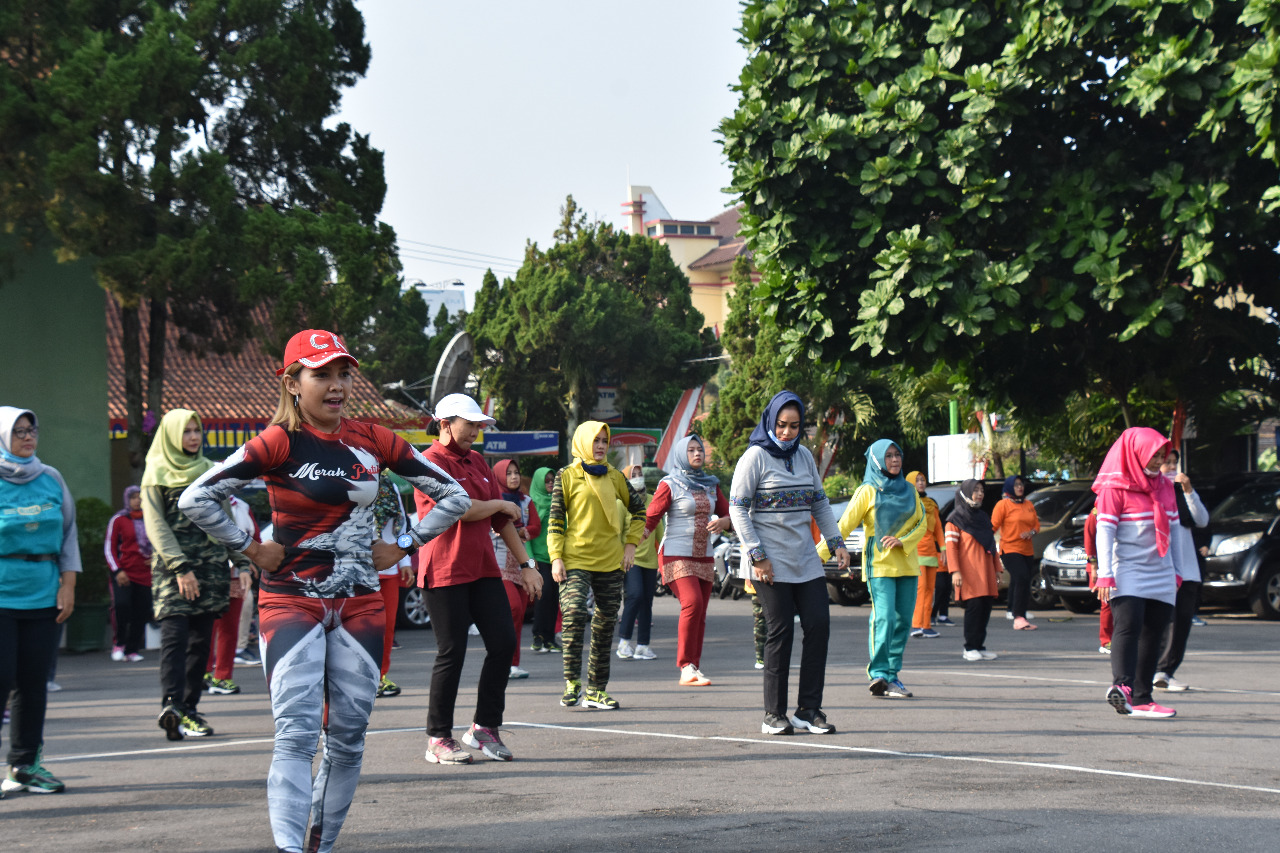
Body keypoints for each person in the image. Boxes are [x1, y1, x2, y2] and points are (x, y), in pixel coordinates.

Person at [180, 330, 469, 853]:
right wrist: (250, 546)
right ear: (292, 382)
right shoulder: (276, 442)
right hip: (291, 600)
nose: (336, 386)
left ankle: (318, 845)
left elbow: (452, 493)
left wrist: (404, 543)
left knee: (349, 740)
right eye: (321, 375)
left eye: (343, 374)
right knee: (295, 734)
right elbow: (196, 497)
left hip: (361, 604)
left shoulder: (375, 439)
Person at [413, 395, 542, 764]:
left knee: (503, 644)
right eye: (468, 423)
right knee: (451, 652)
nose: (475, 430)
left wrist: (528, 564)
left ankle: (484, 727)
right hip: (444, 569)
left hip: (485, 568)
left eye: (478, 424)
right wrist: (501, 504)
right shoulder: (428, 463)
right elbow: (461, 510)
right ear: (445, 423)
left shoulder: (478, 462)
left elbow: (502, 521)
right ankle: (438, 738)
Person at [730, 391, 848, 736]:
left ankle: (808, 710)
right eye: (781, 425)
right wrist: (757, 555)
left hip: (806, 559)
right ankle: (774, 715)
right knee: (779, 633)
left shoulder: (806, 457)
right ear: (771, 422)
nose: (786, 433)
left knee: (818, 627)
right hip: (770, 562)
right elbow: (738, 509)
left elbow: (820, 504)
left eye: (794, 426)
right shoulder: (754, 458)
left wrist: (836, 543)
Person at [143, 408, 241, 741]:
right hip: (174, 571)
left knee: (201, 644)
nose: (194, 437)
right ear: (171, 435)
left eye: (197, 430)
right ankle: (171, 705)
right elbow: (156, 526)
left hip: (211, 568)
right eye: (186, 431)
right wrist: (181, 568)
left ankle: (190, 710)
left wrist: (241, 562)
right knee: (175, 639)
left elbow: (225, 521)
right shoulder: (155, 472)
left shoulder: (209, 472)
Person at [0, 407, 79, 795]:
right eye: (18, 432)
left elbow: (68, 535)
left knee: (33, 683)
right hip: (2, 594)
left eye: (32, 430)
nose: (27, 437)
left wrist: (68, 586)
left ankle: (24, 765)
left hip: (43, 594)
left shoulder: (51, 478)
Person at [549, 421, 646, 711]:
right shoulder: (566, 475)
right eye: (596, 440)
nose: (601, 446)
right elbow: (555, 520)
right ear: (582, 442)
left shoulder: (615, 476)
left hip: (610, 561)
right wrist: (556, 557)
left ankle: (595, 690)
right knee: (575, 612)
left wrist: (630, 545)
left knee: (605, 626)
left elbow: (639, 510)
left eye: (605, 440)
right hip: (574, 559)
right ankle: (571, 683)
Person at [821, 440, 925, 698]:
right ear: (877, 461)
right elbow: (843, 526)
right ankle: (879, 673)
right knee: (885, 617)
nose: (894, 460)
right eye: (888, 456)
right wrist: (815, 556)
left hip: (908, 565)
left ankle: (892, 676)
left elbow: (922, 523)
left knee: (903, 622)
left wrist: (904, 541)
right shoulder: (867, 490)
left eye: (897, 455)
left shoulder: (910, 490)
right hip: (879, 565)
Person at [1092, 426, 1179, 719]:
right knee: (1128, 626)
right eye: (1153, 455)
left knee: (1154, 633)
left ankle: (1143, 698)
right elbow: (1104, 530)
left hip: (1162, 569)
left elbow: (1175, 529)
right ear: (1136, 453)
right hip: (1127, 568)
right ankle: (1122, 688)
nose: (1159, 461)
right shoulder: (1115, 487)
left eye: (1161, 455)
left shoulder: (1165, 486)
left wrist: (1177, 570)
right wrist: (1105, 573)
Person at [642, 435, 730, 686]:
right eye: (691, 450)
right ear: (682, 454)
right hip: (675, 552)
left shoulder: (711, 485)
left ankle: (693, 667)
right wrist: (629, 546)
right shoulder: (670, 484)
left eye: (700, 449)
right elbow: (651, 518)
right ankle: (684, 666)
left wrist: (724, 522)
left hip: (704, 556)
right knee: (691, 603)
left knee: (701, 610)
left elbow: (727, 514)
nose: (697, 454)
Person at [1153, 449, 1208, 692]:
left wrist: (1189, 491)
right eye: (1167, 463)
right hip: (1162, 567)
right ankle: (1155, 670)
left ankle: (1166, 671)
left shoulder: (1183, 493)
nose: (1172, 467)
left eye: (1175, 462)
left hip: (1188, 569)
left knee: (1182, 621)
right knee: (1164, 620)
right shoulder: (1154, 491)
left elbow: (1202, 520)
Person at [490, 458, 542, 680]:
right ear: (500, 477)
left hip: (521, 565)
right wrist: (518, 530)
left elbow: (536, 527)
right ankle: (499, 658)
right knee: (512, 609)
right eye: (508, 473)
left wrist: (521, 532)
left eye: (516, 472)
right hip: (498, 564)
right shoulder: (494, 501)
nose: (513, 477)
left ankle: (513, 664)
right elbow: (495, 527)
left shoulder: (526, 500)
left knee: (520, 613)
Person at [204, 495, 258, 696]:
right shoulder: (196, 501)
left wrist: (252, 559)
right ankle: (204, 671)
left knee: (230, 625)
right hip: (208, 572)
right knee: (207, 624)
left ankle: (222, 676)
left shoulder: (242, 506)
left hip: (236, 572)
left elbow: (254, 537)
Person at [945, 479, 1003, 661]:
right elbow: (951, 548)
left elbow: (991, 545)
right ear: (965, 492)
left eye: (981, 490)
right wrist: (955, 571)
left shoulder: (983, 517)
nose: (979, 493)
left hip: (985, 571)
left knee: (985, 608)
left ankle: (980, 646)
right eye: (975, 490)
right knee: (974, 608)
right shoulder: (954, 520)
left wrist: (997, 568)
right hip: (968, 572)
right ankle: (969, 647)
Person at [370, 474, 411, 698]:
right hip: (358, 568)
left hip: (389, 568)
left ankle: (380, 677)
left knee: (387, 627)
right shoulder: (348, 478)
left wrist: (404, 560)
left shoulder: (390, 484)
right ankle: (359, 678)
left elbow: (402, 523)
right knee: (361, 628)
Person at [619, 465, 663, 663]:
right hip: (630, 559)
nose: (637, 478)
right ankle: (624, 642)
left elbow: (659, 527)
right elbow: (617, 532)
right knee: (634, 595)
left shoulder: (653, 499)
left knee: (647, 601)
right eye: (633, 475)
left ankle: (643, 646)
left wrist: (664, 556)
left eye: (639, 474)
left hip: (650, 560)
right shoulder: (622, 503)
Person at [104, 485, 153, 662]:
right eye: (133, 497)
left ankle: (132, 649)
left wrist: (156, 558)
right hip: (123, 573)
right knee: (122, 606)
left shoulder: (151, 518)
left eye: (140, 497)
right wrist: (117, 571)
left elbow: (160, 542)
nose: (137, 500)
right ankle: (119, 643)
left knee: (142, 610)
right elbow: (109, 548)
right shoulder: (119, 519)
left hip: (145, 572)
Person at [991, 475, 1040, 630]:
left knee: (1021, 579)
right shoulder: (1003, 505)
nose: (1020, 487)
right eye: (1016, 485)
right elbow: (992, 526)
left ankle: (1018, 611)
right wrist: (984, 542)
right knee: (1021, 576)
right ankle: (1018, 616)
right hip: (1010, 548)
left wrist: (1031, 532)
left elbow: (1036, 525)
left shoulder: (1028, 504)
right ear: (1010, 487)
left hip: (1026, 549)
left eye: (1021, 484)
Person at [527, 466, 561, 654]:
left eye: (552, 481)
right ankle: (538, 636)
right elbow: (528, 535)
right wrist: (530, 561)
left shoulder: (557, 502)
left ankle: (549, 637)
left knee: (554, 598)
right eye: (546, 481)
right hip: (539, 559)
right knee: (544, 595)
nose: (550, 484)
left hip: (555, 558)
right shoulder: (532, 504)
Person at [907, 471, 945, 640]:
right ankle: (916, 625)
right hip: (916, 551)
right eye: (917, 480)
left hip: (931, 551)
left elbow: (938, 528)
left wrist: (943, 548)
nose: (921, 483)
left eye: (923, 480)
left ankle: (927, 625)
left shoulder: (931, 504)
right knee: (920, 589)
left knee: (930, 589)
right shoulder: (907, 503)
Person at [1083, 507, 1112, 654]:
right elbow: (1089, 542)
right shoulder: (1094, 516)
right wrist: (1094, 567)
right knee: (1106, 603)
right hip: (1101, 567)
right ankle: (1106, 641)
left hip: (1117, 564)